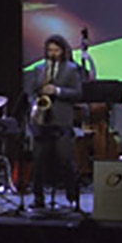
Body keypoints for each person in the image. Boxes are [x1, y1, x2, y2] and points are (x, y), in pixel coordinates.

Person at [26, 35, 82, 208]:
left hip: (61, 119)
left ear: (63, 51)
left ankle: (73, 197)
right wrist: (35, 105)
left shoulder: (72, 69)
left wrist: (57, 90)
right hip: (42, 121)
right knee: (38, 161)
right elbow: (32, 91)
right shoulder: (39, 68)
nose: (53, 54)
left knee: (65, 160)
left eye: (56, 50)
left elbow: (78, 93)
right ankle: (38, 198)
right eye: (50, 50)